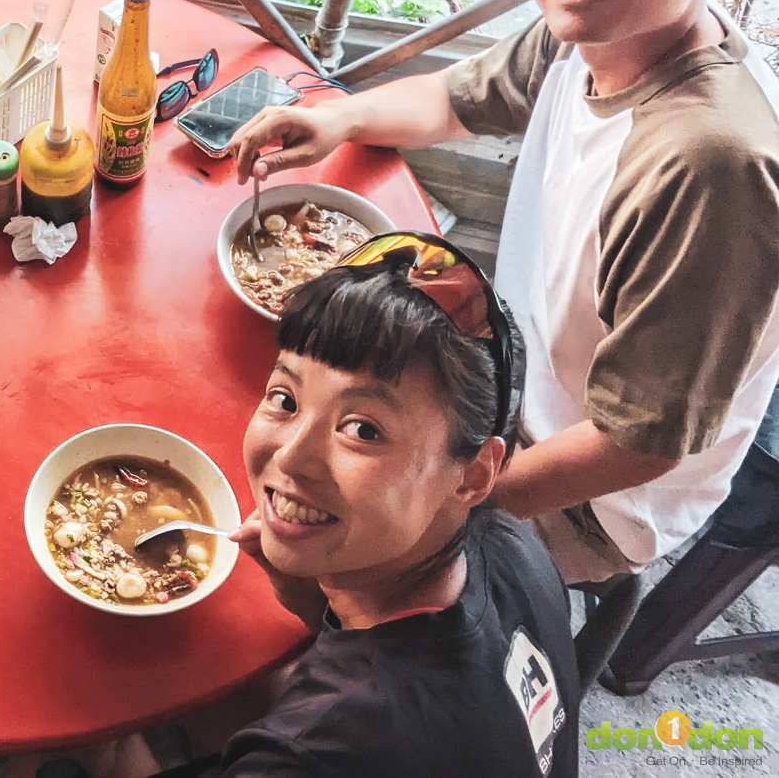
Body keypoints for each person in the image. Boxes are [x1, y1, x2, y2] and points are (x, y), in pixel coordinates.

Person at [228, 0, 779, 597]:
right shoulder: (594, 31)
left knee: (309, 547)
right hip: (504, 385)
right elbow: (457, 98)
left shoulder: (705, 162)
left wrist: (439, 502)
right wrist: (338, 116)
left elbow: (641, 439)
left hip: (591, 492)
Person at [222, 236, 579, 778]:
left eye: (363, 430)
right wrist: (308, 596)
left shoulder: (306, 755)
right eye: (285, 398)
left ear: (474, 473)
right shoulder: (513, 544)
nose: (291, 458)